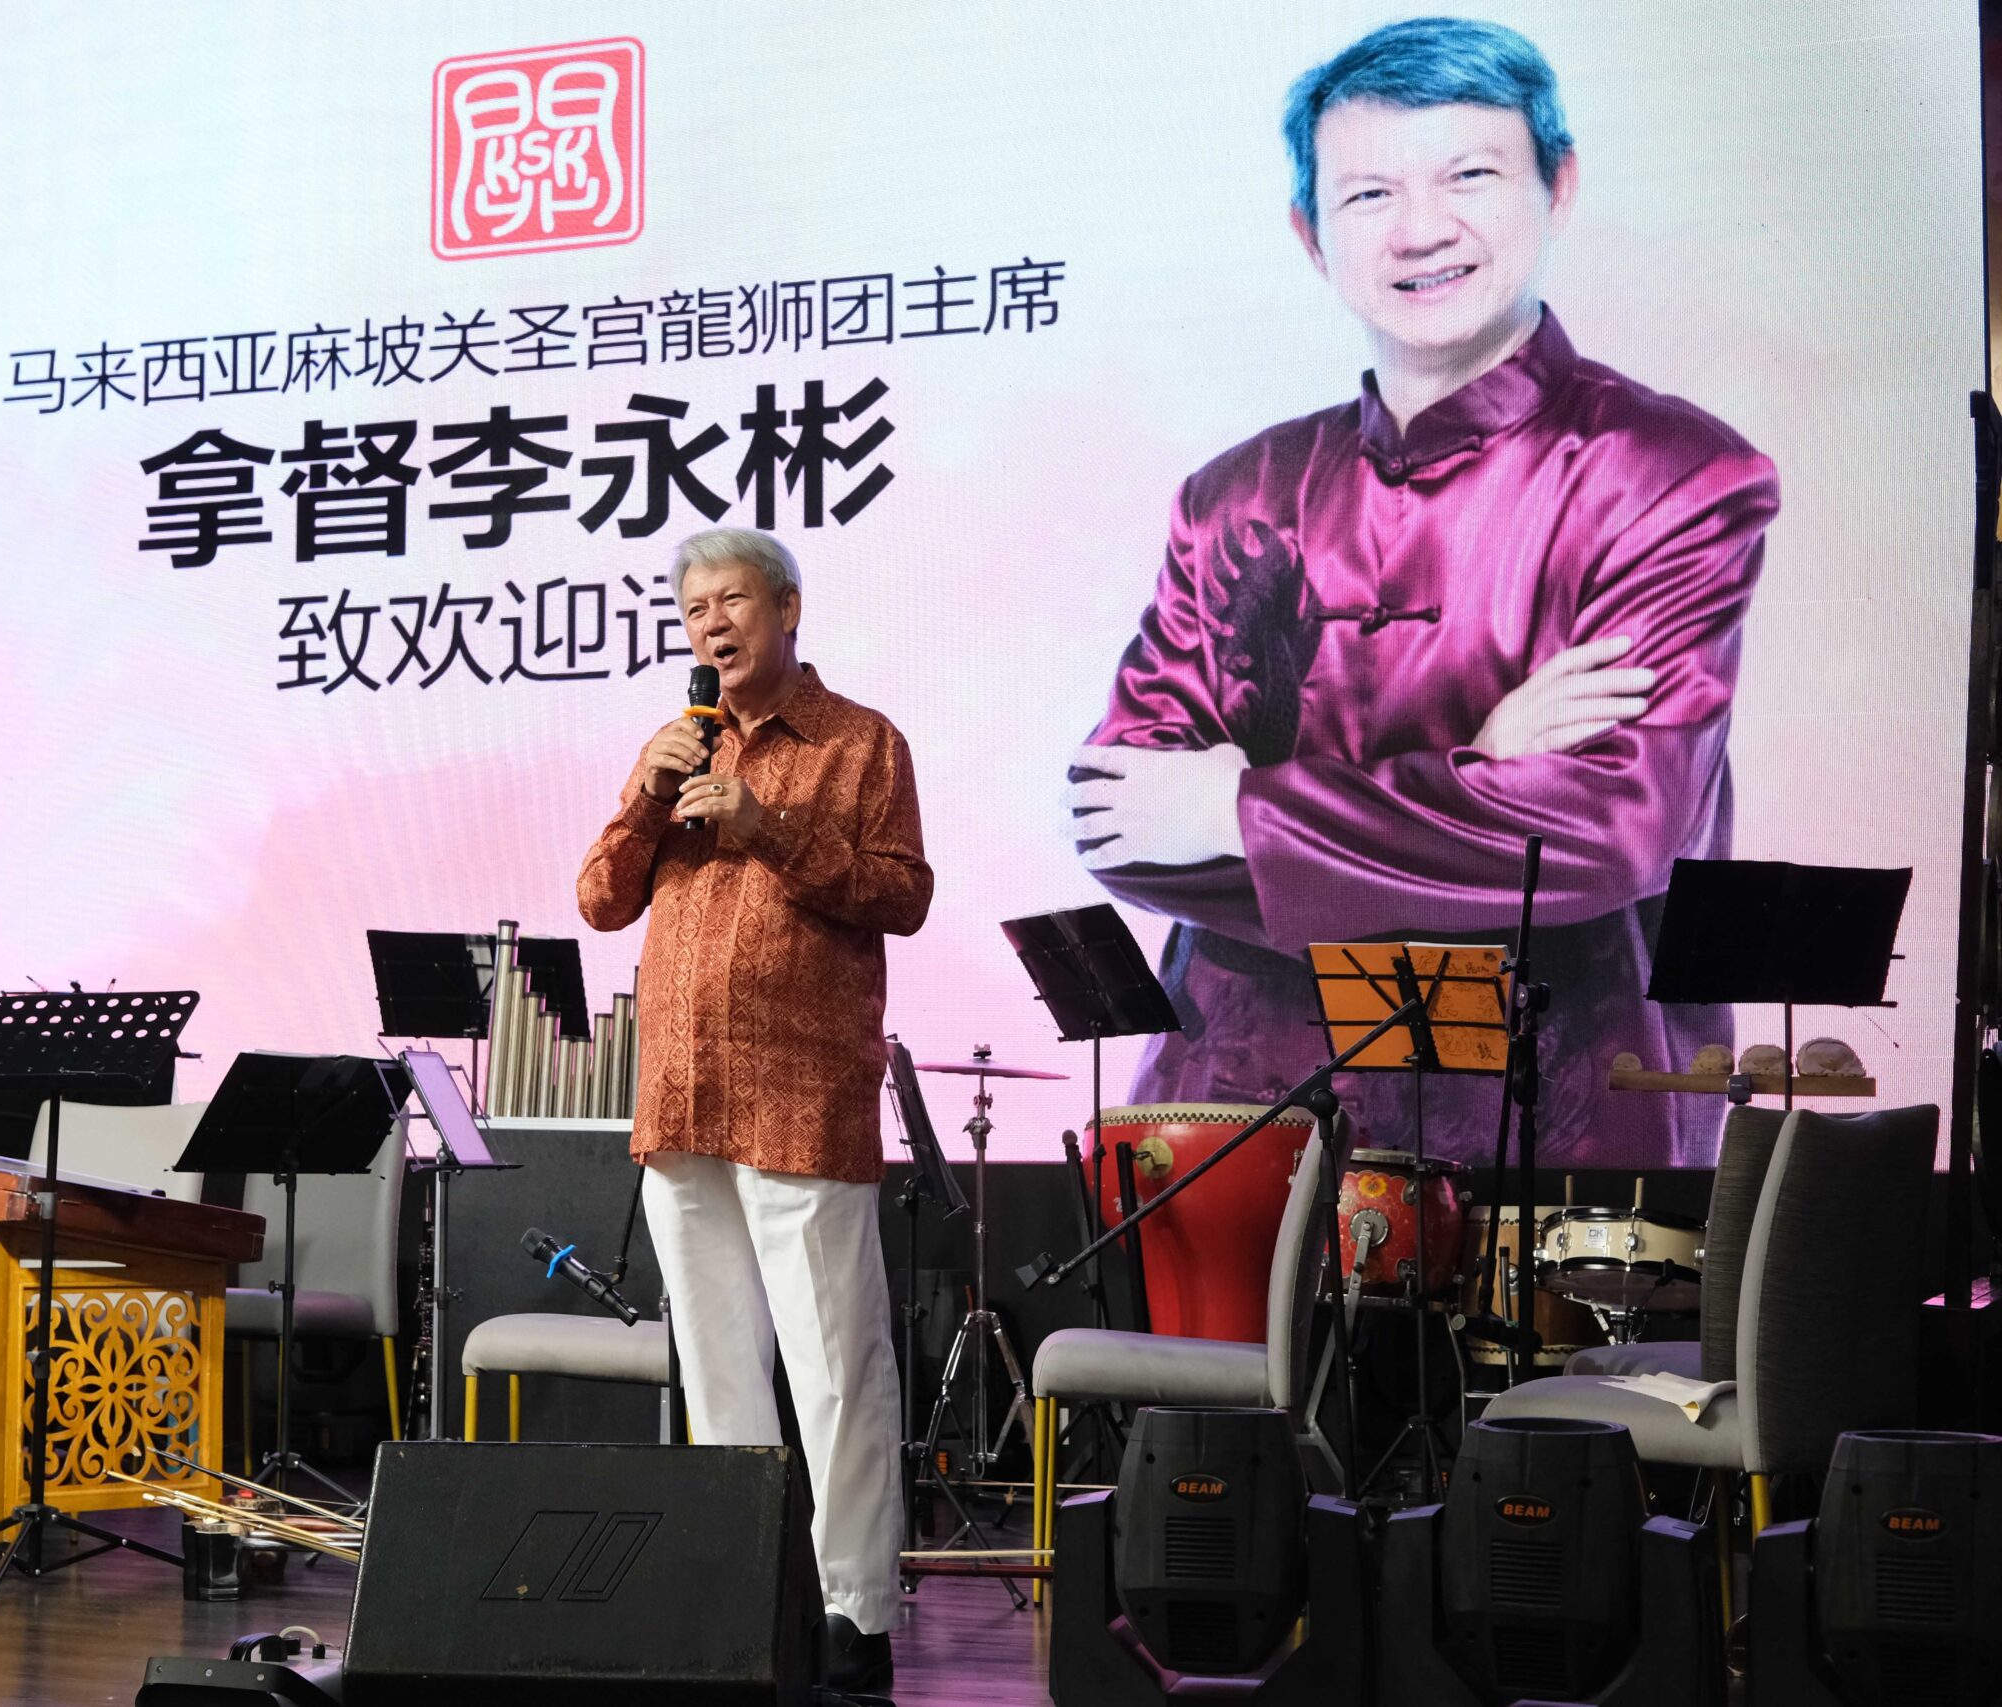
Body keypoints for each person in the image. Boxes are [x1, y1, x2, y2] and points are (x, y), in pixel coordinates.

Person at [1065, 17, 1779, 1167]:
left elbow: (1606, 836)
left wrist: (1240, 812)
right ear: (1310, 234)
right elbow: (1119, 819)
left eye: (1468, 176)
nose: (1421, 229)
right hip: (1239, 1117)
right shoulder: (1235, 495)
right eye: (1368, 195)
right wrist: (1478, 778)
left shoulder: (1669, 474)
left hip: (1555, 1122)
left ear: (1559, 184)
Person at [578, 526, 930, 1693]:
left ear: (786, 608)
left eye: (730, 602)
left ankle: (853, 1613)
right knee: (719, 1371)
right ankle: (746, 1595)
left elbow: (901, 894)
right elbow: (598, 901)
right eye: (693, 612)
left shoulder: (858, 742)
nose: (711, 626)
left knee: (834, 1369)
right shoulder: (678, 745)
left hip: (800, 1094)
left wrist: (763, 826)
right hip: (681, 1100)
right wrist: (647, 796)